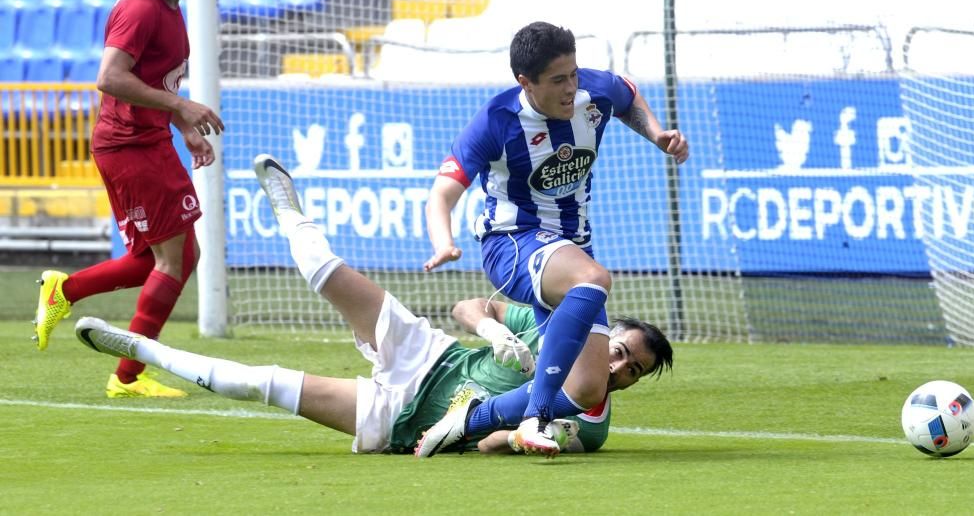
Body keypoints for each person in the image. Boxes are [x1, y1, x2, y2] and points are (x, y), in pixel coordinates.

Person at [74, 154, 674, 455]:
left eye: (633, 371)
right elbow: (471, 306)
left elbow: (503, 444)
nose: (619, 370)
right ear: (607, 331)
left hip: (403, 419)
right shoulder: (558, 326)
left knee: (265, 384)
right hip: (431, 355)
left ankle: (140, 347)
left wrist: (513, 433)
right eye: (621, 352)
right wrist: (495, 335)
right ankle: (291, 210)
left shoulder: (590, 422)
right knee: (328, 273)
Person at [421, 21, 687, 455]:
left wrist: (657, 135)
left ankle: (470, 420)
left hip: (570, 248)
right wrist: (442, 242)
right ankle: (534, 418)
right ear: (525, 82)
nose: (571, 88)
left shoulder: (592, 92)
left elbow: (629, 96)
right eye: (558, 80)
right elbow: (442, 193)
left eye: (574, 74)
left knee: (585, 387)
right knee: (594, 279)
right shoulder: (496, 120)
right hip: (512, 242)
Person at [32, 0, 224, 398]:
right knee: (174, 259)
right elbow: (110, 76)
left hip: (145, 140)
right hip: (129, 146)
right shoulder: (141, 8)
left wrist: (182, 127)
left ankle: (65, 291)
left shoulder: (167, 6)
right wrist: (181, 109)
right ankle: (126, 378)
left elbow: (155, 81)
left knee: (164, 259)